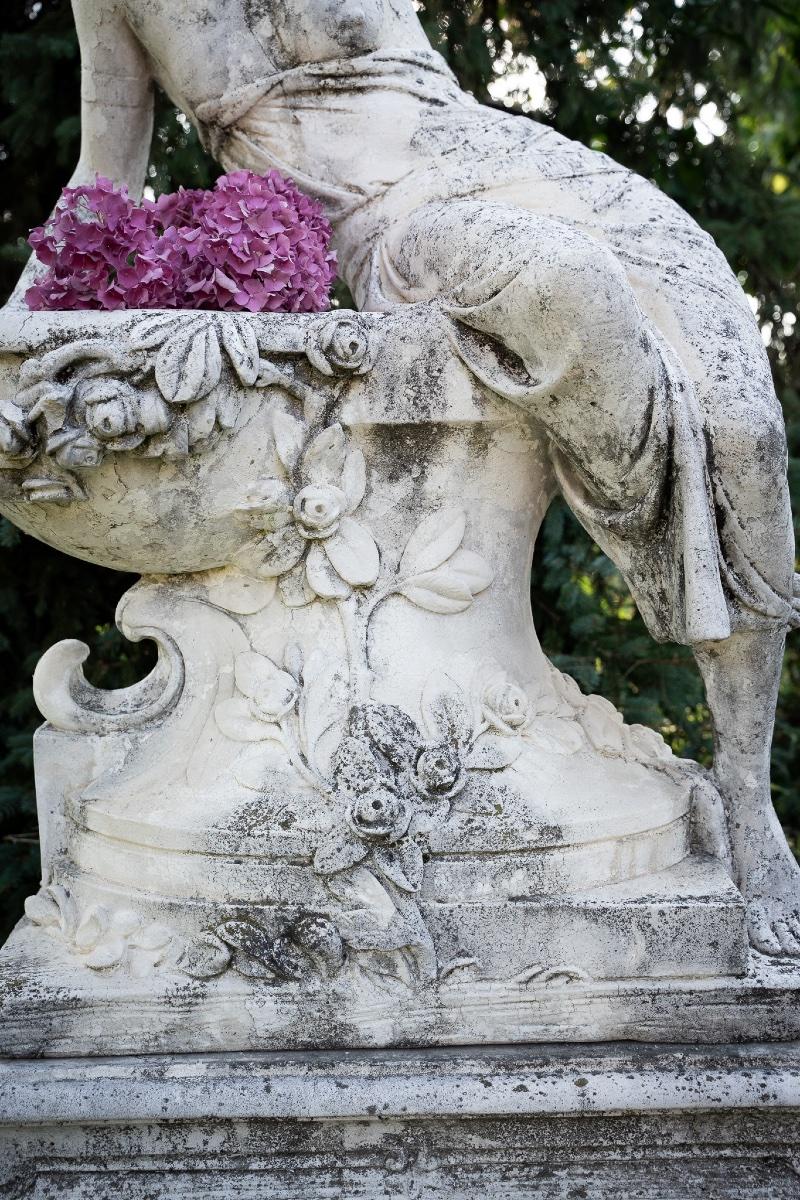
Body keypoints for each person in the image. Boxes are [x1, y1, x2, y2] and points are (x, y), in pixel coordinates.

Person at [14, 0, 800, 954]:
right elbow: (103, 177)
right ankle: (681, 609)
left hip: (508, 158)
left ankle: (750, 795)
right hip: (402, 223)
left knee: (743, 420)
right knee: (572, 289)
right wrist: (24, 331)